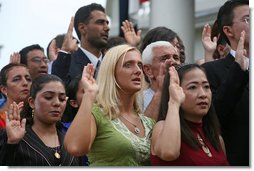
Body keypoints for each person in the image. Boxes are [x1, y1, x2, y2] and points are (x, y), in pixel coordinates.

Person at [64, 44, 155, 166]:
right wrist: (89, 94)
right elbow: (75, 147)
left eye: (139, 65)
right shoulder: (98, 113)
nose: (138, 70)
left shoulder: (149, 122)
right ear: (111, 72)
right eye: (128, 65)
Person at [150, 64, 229, 166]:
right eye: (193, 87)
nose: (203, 94)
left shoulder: (216, 138)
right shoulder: (162, 127)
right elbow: (169, 152)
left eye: (206, 86)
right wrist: (174, 102)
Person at [202, 0, 249, 166]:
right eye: (248, 19)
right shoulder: (211, 71)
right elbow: (215, 116)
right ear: (228, 30)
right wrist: (238, 69)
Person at [0, 74, 82, 166]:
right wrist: (12, 143)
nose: (57, 103)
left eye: (62, 99)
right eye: (48, 97)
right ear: (32, 102)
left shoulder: (70, 138)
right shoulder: (15, 137)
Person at [52, 3, 109, 84]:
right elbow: (58, 87)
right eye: (100, 22)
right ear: (82, 28)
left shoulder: (112, 63)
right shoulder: (68, 64)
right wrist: (64, 52)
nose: (107, 28)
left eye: (107, 23)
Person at [142, 41, 181, 120]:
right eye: (165, 58)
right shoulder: (138, 101)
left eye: (176, 58)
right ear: (148, 70)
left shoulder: (188, 93)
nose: (173, 62)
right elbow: (147, 130)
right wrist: (161, 90)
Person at [0, 63, 32, 128]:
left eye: (28, 79)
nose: (25, 83)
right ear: (4, 89)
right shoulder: (1, 119)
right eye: (16, 79)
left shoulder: (39, 114)